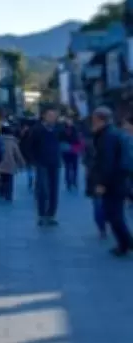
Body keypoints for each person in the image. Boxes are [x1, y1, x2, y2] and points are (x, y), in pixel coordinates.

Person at [87, 107, 132, 257]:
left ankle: (126, 243)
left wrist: (101, 183)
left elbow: (107, 162)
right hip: (117, 180)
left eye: (94, 119)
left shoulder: (107, 136)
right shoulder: (109, 134)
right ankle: (125, 243)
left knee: (114, 215)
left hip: (113, 182)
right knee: (114, 214)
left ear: (100, 120)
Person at [25, 106, 63, 226]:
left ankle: (51, 215)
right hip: (41, 163)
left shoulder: (58, 129)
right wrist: (33, 161)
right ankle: (42, 214)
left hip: (55, 163)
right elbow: (29, 146)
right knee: (42, 189)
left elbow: (70, 139)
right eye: (50, 115)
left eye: (54, 116)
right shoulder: (37, 129)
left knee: (53, 190)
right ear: (44, 116)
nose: (53, 118)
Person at [0, 127, 26, 201]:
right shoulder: (13, 142)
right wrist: (22, 163)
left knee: (1, 179)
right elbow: (17, 154)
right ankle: (8, 195)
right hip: (10, 164)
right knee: (9, 181)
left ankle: (1, 193)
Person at [59, 116, 83, 192]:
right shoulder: (62, 130)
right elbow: (60, 140)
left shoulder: (75, 130)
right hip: (66, 152)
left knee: (75, 167)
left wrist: (78, 148)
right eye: (68, 120)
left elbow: (79, 140)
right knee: (67, 167)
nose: (69, 122)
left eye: (70, 121)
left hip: (74, 151)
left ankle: (74, 181)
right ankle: (68, 182)